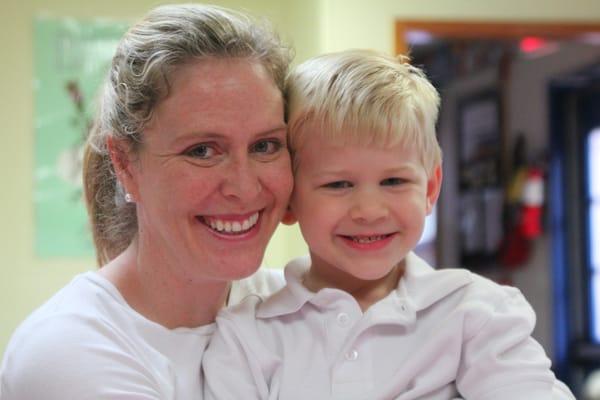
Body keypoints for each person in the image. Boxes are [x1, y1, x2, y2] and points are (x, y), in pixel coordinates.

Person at [202, 49, 575, 399]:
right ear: (288, 199)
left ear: (430, 188)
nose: (369, 210)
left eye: (394, 181)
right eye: (338, 184)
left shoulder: (476, 313)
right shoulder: (246, 336)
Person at [0, 4, 293, 399]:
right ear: (124, 163)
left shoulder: (297, 306)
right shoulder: (68, 350)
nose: (243, 186)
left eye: (265, 145)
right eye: (202, 151)